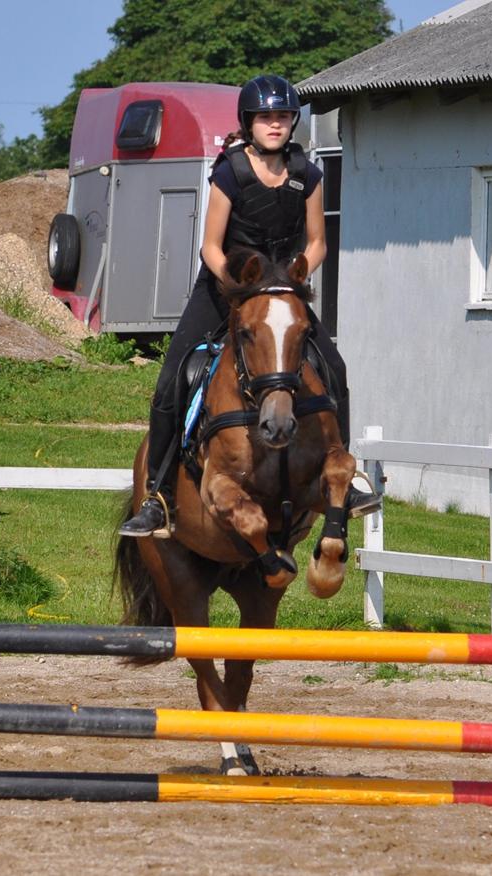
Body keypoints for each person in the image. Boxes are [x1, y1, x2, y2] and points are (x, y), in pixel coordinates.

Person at [120, 74, 380, 537]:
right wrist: (237, 288)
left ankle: (345, 473)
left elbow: (319, 243)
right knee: (170, 382)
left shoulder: (308, 175)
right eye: (266, 117)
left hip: (281, 294)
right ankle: (157, 495)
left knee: (334, 368)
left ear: (293, 122)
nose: (275, 125)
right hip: (224, 289)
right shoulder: (230, 172)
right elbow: (211, 248)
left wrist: (297, 273)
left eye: (283, 117)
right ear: (249, 123)